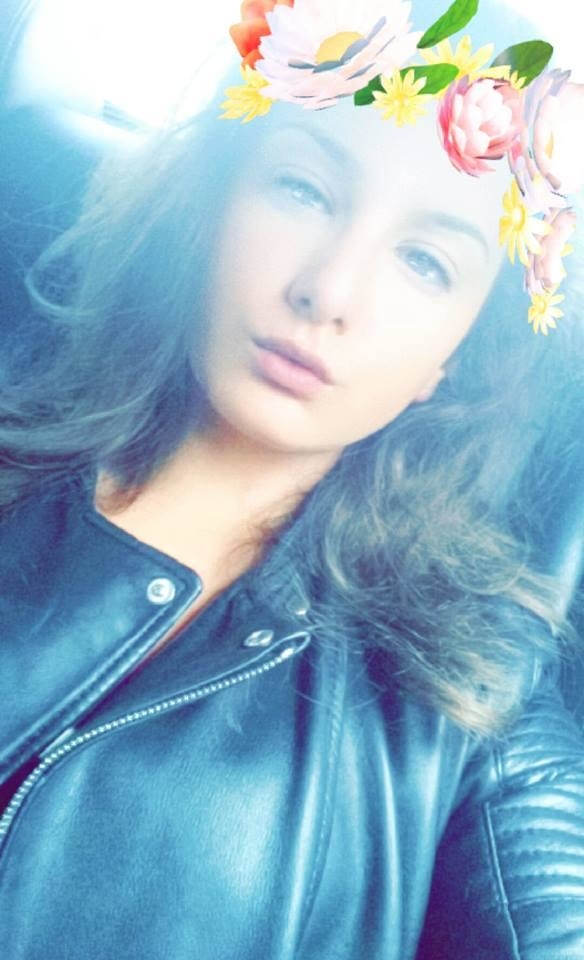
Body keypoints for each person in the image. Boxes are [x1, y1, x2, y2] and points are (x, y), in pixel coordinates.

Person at [1, 0, 584, 957]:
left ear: (451, 358)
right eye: (304, 191)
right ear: (215, 203)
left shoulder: (471, 695)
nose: (329, 290)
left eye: (425, 261)